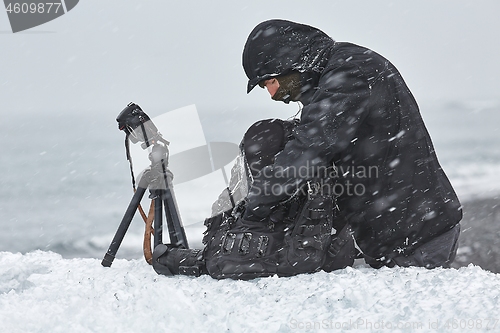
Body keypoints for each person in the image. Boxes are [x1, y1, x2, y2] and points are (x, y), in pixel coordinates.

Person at [152, 19, 462, 278]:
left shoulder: (352, 73)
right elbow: (318, 147)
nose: (273, 95)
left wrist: (255, 204)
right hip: (399, 227)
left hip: (416, 234)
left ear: (291, 63)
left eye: (270, 82)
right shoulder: (343, 70)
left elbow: (309, 150)